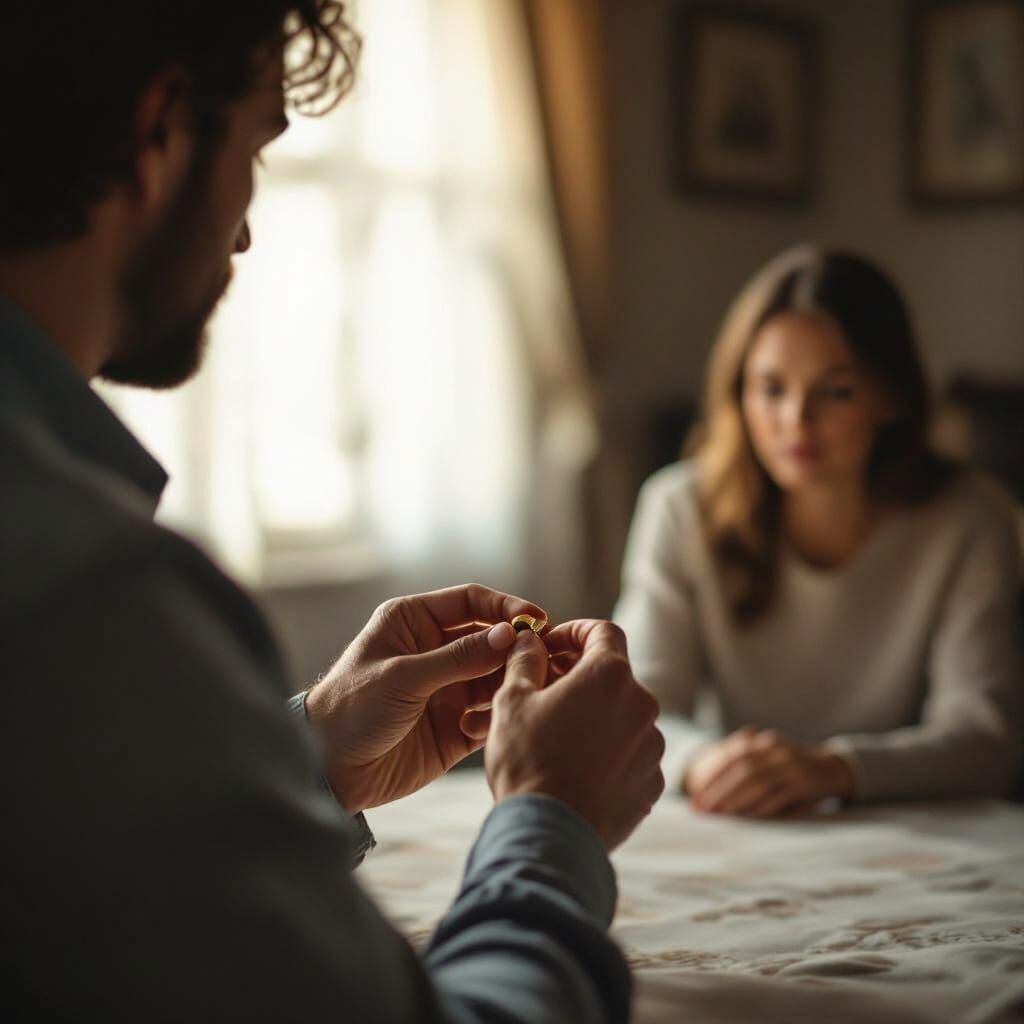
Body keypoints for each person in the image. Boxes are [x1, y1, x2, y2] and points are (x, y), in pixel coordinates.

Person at [0, 3, 665, 1021]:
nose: (251, 227)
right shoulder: (90, 591)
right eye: (259, 151)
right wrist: (551, 817)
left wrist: (309, 753)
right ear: (161, 131)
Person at [614, 244, 1023, 818]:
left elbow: (986, 740)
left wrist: (834, 771)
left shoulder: (972, 519)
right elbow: (636, 710)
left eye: (835, 391)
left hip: (903, 828)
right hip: (738, 818)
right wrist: (707, 763)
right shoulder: (678, 508)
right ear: (739, 394)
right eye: (771, 388)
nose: (796, 421)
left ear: (891, 395)